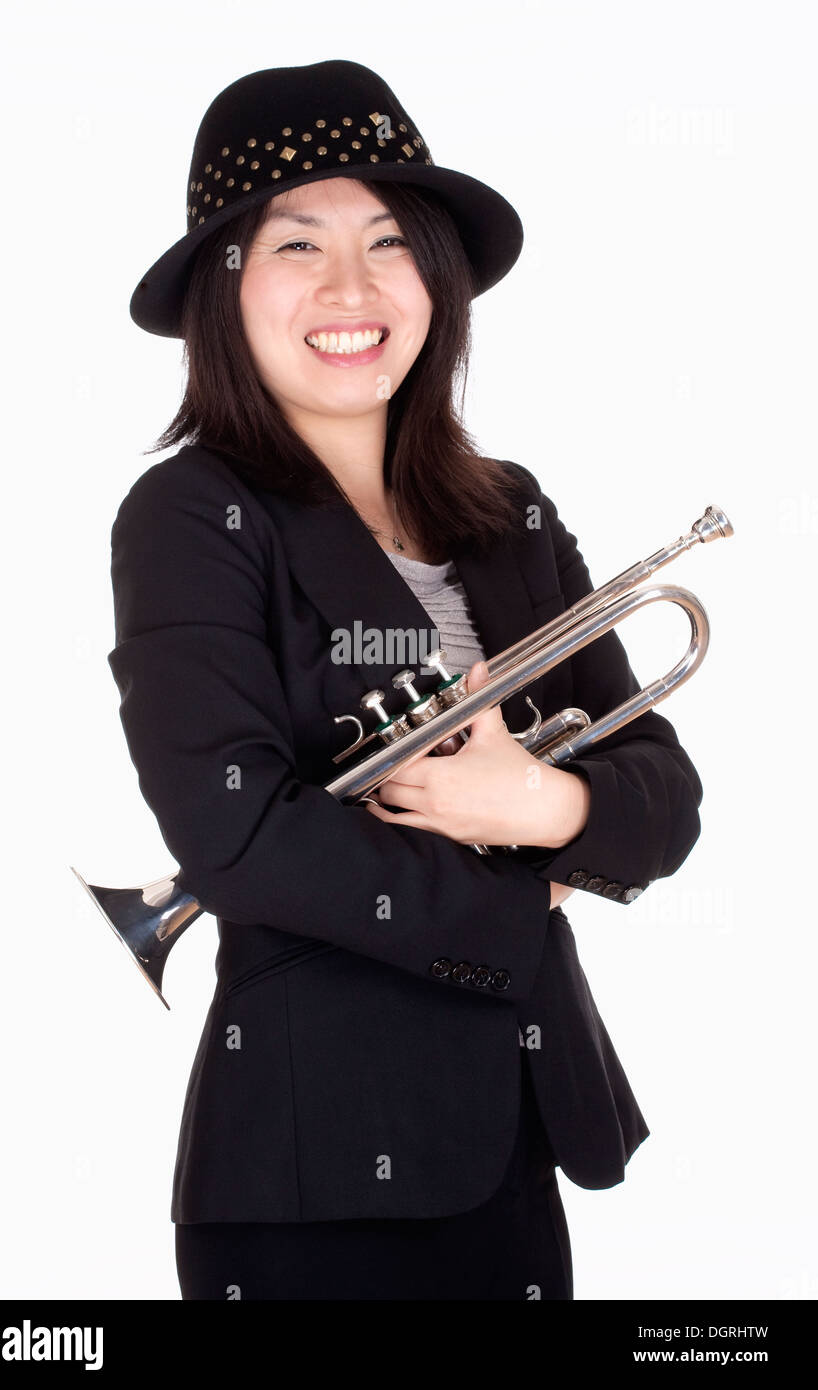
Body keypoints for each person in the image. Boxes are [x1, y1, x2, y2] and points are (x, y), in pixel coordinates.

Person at [107, 59, 703, 1300]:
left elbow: (664, 794)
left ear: (435, 275)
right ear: (224, 288)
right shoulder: (187, 514)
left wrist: (541, 807)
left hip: (516, 1128)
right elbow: (234, 834)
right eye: (296, 246)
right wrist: (504, 896)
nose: (350, 287)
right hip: (309, 1162)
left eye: (389, 241)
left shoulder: (508, 511)